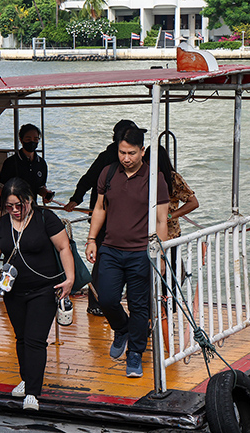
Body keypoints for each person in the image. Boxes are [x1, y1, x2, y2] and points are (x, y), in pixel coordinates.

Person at [0, 178, 74, 411]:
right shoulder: (1, 225)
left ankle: (33, 392)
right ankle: (26, 379)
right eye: (10, 206)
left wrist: (70, 278)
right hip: (14, 290)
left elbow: (63, 247)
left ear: (30, 200)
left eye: (20, 205)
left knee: (35, 339)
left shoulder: (46, 218)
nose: (15, 210)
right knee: (22, 338)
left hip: (44, 288)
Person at [85, 127, 169, 379]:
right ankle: (122, 328)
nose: (126, 158)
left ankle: (135, 354)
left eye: (131, 153)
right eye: (122, 152)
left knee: (139, 305)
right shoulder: (109, 173)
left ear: (142, 151)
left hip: (141, 252)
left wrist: (160, 255)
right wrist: (91, 239)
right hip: (111, 249)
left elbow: (161, 220)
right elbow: (100, 208)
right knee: (106, 299)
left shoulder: (155, 178)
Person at [64, 119, 138, 316]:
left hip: (123, 220)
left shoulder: (135, 161)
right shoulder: (107, 158)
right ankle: (96, 302)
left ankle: (107, 302)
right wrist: (75, 199)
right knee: (102, 260)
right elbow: (88, 179)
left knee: (115, 261)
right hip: (104, 219)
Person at [143, 145, 199, 242]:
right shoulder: (144, 177)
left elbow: (193, 203)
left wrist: (170, 216)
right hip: (147, 232)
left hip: (170, 234)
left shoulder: (173, 178)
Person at [0, 124, 54, 203]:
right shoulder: (10, 162)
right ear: (21, 140)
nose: (32, 142)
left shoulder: (41, 163)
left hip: (31, 206)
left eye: (36, 139)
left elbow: (40, 187)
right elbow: (1, 187)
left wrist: (46, 194)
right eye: (28, 139)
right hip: (13, 206)